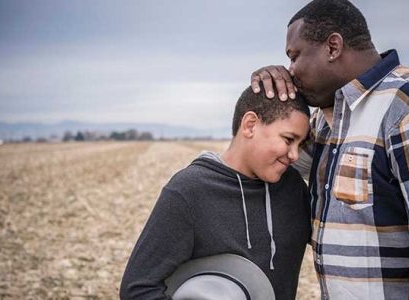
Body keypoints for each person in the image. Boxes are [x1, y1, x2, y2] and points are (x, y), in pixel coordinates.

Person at [250, 0, 409, 299]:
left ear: (333, 47)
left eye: (295, 56)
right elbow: (273, 158)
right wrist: (271, 96)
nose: (291, 70)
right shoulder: (329, 119)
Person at [120, 86, 312, 299]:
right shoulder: (189, 191)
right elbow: (137, 290)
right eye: (288, 139)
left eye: (300, 144)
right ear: (250, 125)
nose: (295, 155)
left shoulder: (293, 187)